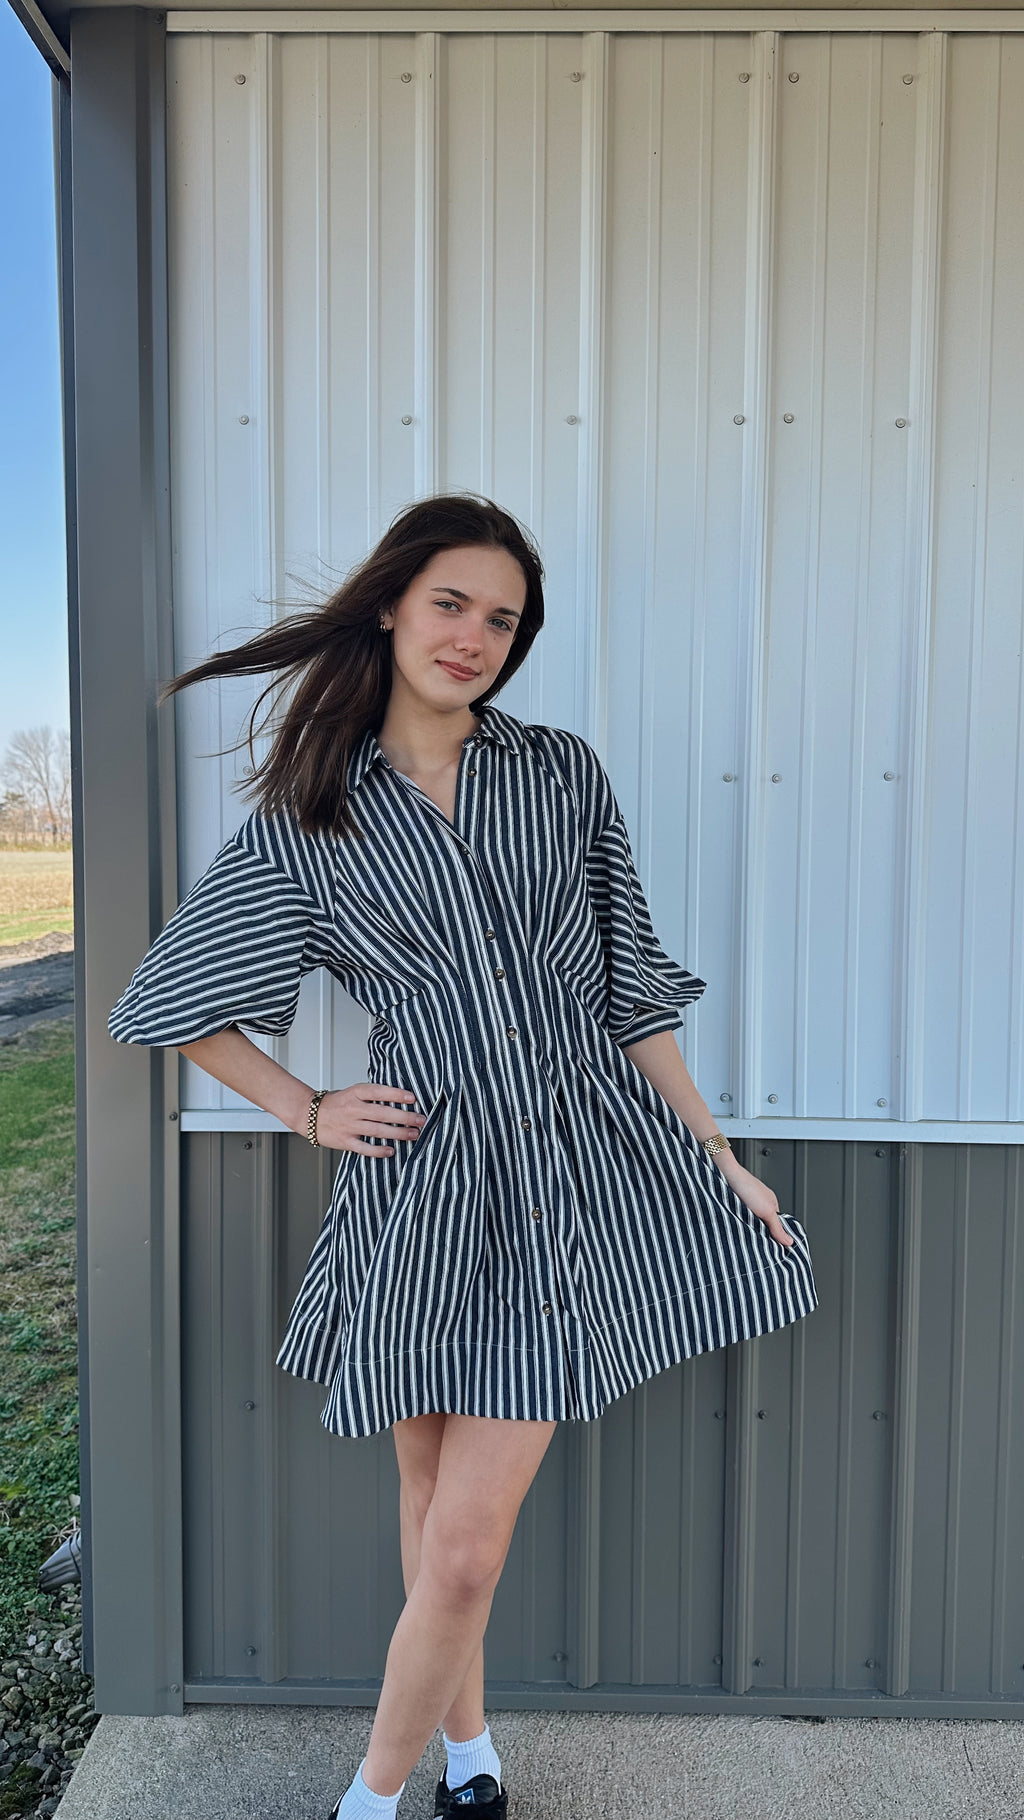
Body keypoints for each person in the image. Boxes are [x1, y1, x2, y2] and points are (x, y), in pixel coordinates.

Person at [108, 492, 818, 1820]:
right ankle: (473, 1758)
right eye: (453, 604)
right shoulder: (314, 815)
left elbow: (633, 991)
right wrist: (311, 1108)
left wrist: (718, 1155)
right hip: (423, 1187)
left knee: (468, 1547)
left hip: (570, 1182)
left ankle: (372, 1799)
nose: (477, 635)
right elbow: (168, 1002)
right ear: (390, 605)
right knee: (439, 1511)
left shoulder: (559, 773)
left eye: (503, 619)